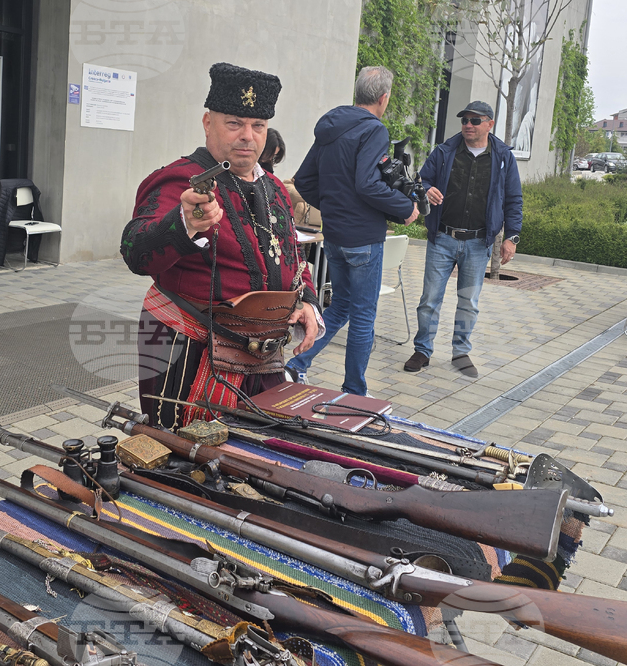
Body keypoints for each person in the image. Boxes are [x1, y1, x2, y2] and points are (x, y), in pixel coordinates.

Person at [121, 62, 322, 429]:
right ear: (207, 123)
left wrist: (307, 300)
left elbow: (293, 256)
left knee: (266, 453)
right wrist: (183, 225)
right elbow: (135, 251)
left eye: (258, 126)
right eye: (234, 123)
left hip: (265, 354)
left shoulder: (275, 188)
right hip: (186, 350)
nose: (247, 136)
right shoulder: (176, 180)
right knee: (181, 457)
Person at [285, 65, 419, 396]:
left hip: (335, 236)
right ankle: (354, 392)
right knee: (362, 317)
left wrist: (331, 206)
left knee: (341, 306)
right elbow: (367, 184)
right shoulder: (373, 130)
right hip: (363, 239)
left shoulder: (331, 127)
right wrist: (405, 209)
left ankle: (297, 365)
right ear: (384, 98)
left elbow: (303, 180)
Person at [404, 101, 522, 378]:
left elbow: (514, 200)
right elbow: (419, 182)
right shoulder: (445, 151)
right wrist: (426, 189)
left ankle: (460, 352)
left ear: (489, 124)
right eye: (465, 120)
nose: (468, 124)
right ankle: (423, 350)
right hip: (442, 236)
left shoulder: (503, 157)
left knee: (468, 301)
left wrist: (511, 238)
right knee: (429, 299)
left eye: (475, 120)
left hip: (478, 242)